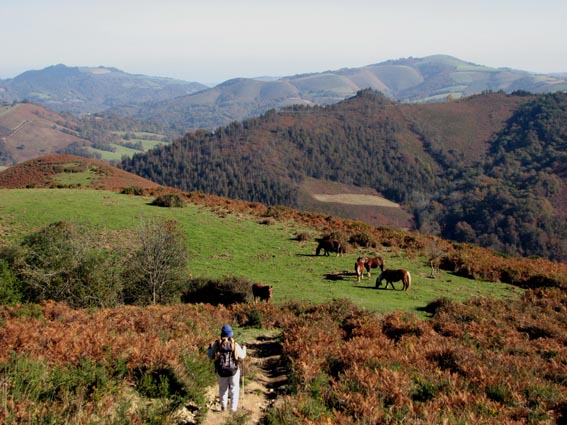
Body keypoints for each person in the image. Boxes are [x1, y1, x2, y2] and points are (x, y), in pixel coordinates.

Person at [207, 324, 247, 412]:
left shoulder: (217, 344)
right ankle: (233, 410)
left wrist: (209, 348)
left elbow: (210, 355)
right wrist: (244, 348)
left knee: (223, 389)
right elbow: (242, 356)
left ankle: (223, 407)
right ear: (230, 334)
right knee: (234, 389)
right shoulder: (234, 344)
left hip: (221, 371)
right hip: (234, 371)